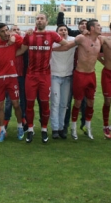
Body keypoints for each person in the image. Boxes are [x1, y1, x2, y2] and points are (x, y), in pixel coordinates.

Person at [17, 13, 69, 143]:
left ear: (47, 21)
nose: (39, 21)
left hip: (45, 76)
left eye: (42, 19)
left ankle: (44, 130)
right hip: (31, 75)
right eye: (37, 19)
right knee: (29, 104)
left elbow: (66, 44)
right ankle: (30, 130)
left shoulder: (52, 35)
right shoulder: (29, 35)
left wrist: (78, 42)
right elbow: (20, 51)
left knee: (45, 104)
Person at [58, 20, 103, 140]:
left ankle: (88, 127)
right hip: (80, 74)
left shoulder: (100, 40)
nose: (101, 27)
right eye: (98, 25)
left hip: (91, 75)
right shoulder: (81, 38)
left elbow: (101, 55)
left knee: (90, 102)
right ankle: (73, 128)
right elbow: (67, 46)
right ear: (92, 28)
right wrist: (51, 50)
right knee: (77, 102)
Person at [50, 24, 76, 139]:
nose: (63, 31)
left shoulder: (73, 41)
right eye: (61, 30)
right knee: (55, 103)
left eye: (65, 30)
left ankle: (61, 128)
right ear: (57, 32)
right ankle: (55, 129)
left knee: (64, 104)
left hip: (67, 77)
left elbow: (68, 46)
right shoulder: (52, 41)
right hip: (54, 76)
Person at [4, 25, 27, 130]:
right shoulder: (7, 43)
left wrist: (16, 36)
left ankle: (23, 119)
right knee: (9, 100)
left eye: (18, 29)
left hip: (21, 75)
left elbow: (23, 43)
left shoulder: (21, 42)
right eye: (14, 30)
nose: (16, 31)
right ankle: (6, 121)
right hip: (10, 75)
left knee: (22, 99)